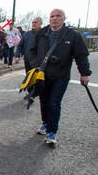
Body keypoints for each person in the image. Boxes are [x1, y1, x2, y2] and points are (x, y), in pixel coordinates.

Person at [29, 8, 92, 146]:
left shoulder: (72, 35)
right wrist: (36, 64)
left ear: (63, 18)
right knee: (44, 101)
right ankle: (45, 123)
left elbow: (81, 55)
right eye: (52, 16)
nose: (54, 18)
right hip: (43, 75)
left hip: (61, 75)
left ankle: (52, 131)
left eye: (58, 16)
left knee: (54, 103)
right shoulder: (42, 33)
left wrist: (84, 73)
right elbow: (32, 50)